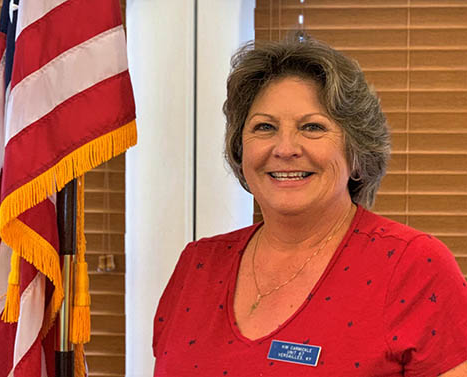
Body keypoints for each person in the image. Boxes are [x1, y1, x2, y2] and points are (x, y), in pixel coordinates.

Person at [152, 34, 467, 376]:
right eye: (265, 127)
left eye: (312, 127)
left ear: (356, 150)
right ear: (241, 149)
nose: (285, 148)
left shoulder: (415, 268)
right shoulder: (197, 265)